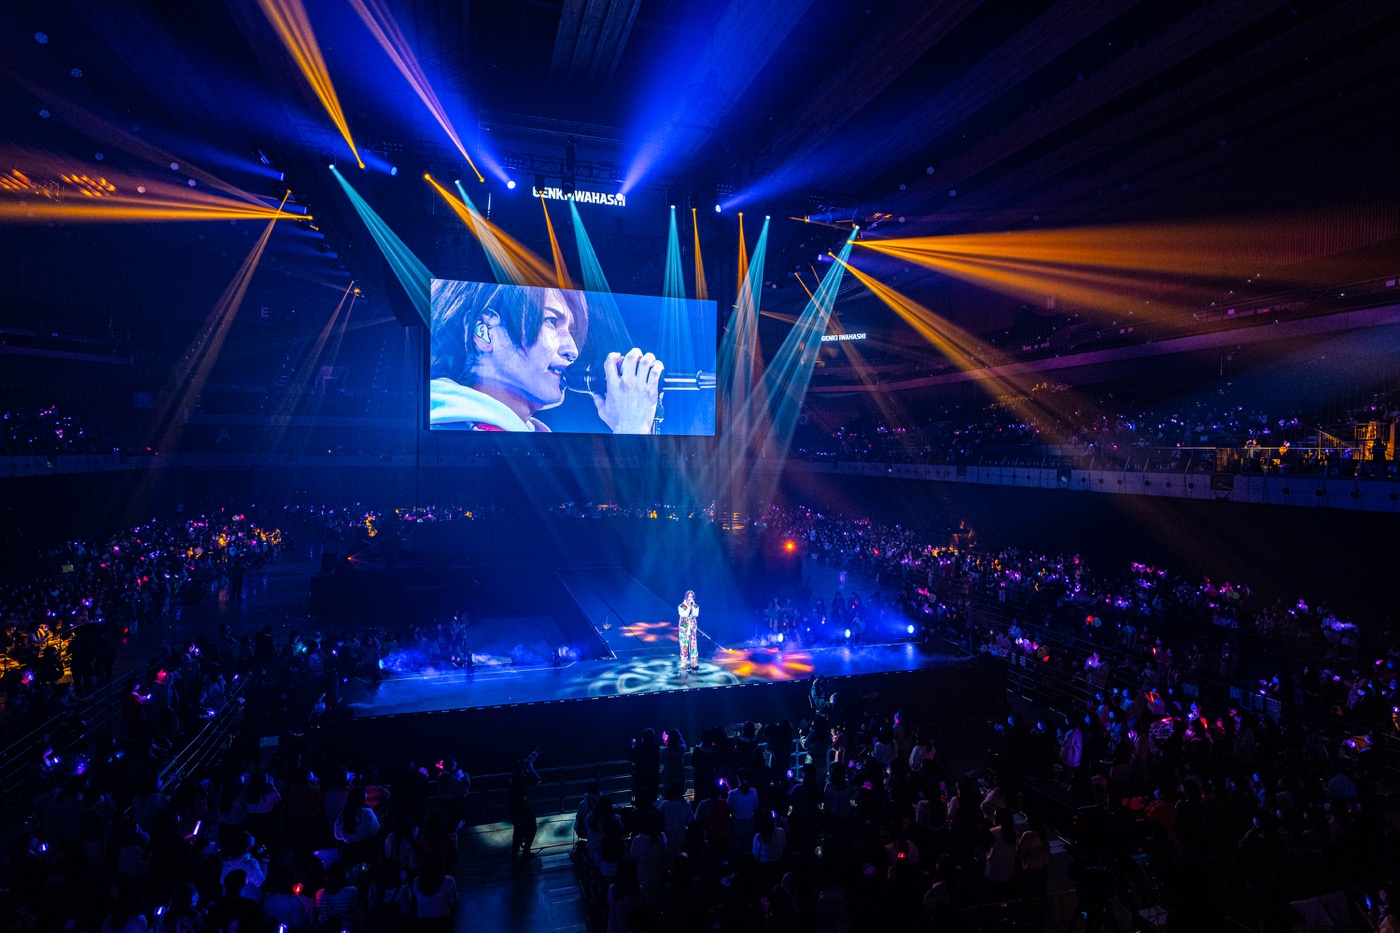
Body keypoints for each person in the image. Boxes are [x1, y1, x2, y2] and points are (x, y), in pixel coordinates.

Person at [430, 281, 664, 433]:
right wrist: (630, 428)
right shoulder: (447, 431)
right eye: (551, 321)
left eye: (571, 331)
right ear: (484, 332)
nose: (572, 349)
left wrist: (629, 422)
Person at [508, 748, 542, 859]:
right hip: (522, 807)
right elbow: (537, 780)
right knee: (531, 827)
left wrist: (533, 755)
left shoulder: (513, 777)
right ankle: (526, 852)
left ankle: (514, 852)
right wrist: (531, 769)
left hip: (512, 807)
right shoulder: (521, 779)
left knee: (517, 829)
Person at [678, 590, 700, 671]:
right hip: (684, 629)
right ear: (686, 597)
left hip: (692, 628)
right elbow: (683, 615)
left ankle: (694, 662)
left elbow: (695, 614)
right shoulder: (681, 606)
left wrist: (692, 606)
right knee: (684, 645)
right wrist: (689, 608)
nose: (690, 598)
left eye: (692, 597)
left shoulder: (695, 606)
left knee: (693, 645)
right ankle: (683, 662)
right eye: (689, 596)